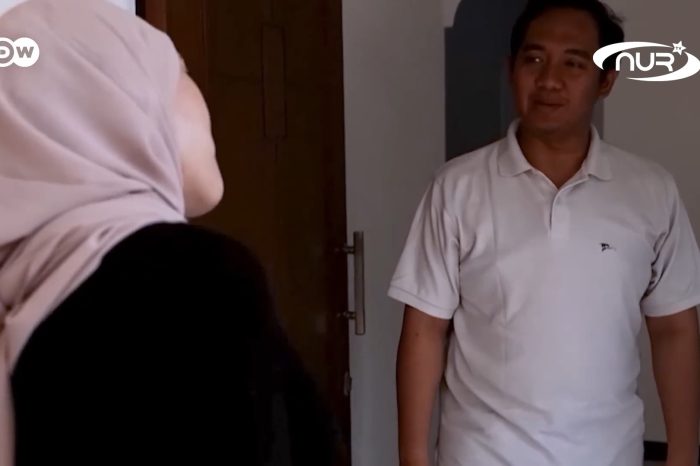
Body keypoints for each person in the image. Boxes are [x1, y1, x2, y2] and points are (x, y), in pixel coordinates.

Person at [0, 1, 335, 465]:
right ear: (112, 102)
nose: (202, 98)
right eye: (178, 71)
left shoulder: (20, 298)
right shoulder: (188, 278)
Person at [389, 0, 700, 465]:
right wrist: (413, 458)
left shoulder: (650, 191)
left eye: (573, 63)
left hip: (608, 453)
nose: (549, 79)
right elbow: (424, 329)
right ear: (510, 70)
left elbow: (674, 328)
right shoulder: (457, 188)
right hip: (481, 454)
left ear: (606, 81)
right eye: (534, 59)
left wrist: (683, 454)